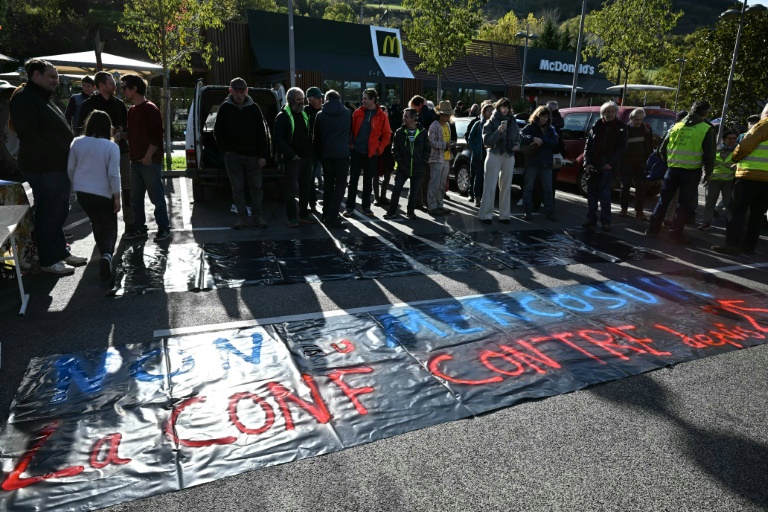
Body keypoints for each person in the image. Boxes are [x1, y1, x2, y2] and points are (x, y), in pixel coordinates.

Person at [9, 58, 87, 275]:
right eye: (52, 76)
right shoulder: (25, 99)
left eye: (57, 77)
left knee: (58, 211)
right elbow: (30, 136)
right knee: (49, 212)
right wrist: (60, 153)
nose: (56, 81)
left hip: (56, 166)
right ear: (36, 75)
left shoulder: (42, 97)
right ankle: (48, 259)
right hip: (44, 167)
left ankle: (60, 253)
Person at [646, 100, 715, 244]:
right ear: (706, 113)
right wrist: (708, 173)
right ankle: (675, 234)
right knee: (683, 204)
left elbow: (661, 150)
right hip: (691, 172)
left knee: (663, 200)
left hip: (672, 170)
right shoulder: (706, 129)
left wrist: (669, 162)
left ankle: (652, 229)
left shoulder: (676, 126)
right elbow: (709, 155)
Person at [78, 71, 134, 233]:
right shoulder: (89, 105)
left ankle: (130, 223)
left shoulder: (119, 104)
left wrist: (121, 130)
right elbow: (82, 129)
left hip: (122, 151)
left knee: (128, 188)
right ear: (101, 85)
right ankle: (107, 225)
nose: (115, 86)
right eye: (111, 83)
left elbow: (126, 125)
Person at [67, 110, 121, 279]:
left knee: (96, 222)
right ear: (108, 127)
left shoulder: (77, 142)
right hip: (104, 192)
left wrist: (76, 185)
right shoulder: (111, 146)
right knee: (111, 224)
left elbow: (70, 168)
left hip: (83, 192)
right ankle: (107, 255)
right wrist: (117, 196)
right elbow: (114, 175)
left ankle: (103, 254)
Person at [213, 77, 270, 230]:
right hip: (233, 156)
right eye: (236, 92)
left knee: (256, 188)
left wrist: (262, 155)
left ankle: (258, 217)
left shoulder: (254, 108)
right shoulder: (224, 108)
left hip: (253, 156)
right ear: (230, 91)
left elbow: (261, 133)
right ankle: (242, 218)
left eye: (242, 91)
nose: (239, 95)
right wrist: (225, 150)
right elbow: (217, 131)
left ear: (247, 91)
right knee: (237, 188)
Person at [120, 73, 171, 242]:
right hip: (135, 162)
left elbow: (157, 135)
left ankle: (164, 229)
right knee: (135, 199)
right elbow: (135, 134)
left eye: (124, 88)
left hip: (149, 162)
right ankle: (140, 229)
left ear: (134, 89)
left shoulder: (150, 108)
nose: (123, 91)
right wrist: (121, 134)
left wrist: (149, 156)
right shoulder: (132, 110)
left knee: (156, 198)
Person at [712, 103, 768, 255]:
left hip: (749, 175)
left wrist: (735, 158)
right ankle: (749, 247)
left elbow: (744, 145)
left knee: (736, 210)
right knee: (757, 215)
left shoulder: (763, 125)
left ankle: (732, 245)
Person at [344, 88, 391, 217]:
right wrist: (351, 144)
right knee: (353, 180)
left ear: (373, 100)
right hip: (357, 151)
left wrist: (378, 149)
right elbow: (351, 130)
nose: (362, 100)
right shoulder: (358, 112)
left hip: (372, 153)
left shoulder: (381, 115)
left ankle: (366, 207)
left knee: (367, 181)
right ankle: (349, 207)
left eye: (365, 98)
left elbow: (387, 135)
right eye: (363, 98)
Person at [582, 101, 627, 232]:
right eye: (607, 111)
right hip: (594, 165)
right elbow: (588, 146)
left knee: (605, 195)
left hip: (609, 167)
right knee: (592, 195)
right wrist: (586, 162)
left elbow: (622, 148)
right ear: (603, 113)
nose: (610, 114)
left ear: (616, 113)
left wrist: (611, 163)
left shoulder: (621, 127)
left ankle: (606, 221)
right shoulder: (596, 127)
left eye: (612, 111)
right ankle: (591, 218)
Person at [275, 87, 315, 227]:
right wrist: (292, 155)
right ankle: (292, 218)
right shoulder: (282, 116)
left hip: (306, 158)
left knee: (305, 188)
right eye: (299, 99)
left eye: (303, 99)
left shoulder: (303, 114)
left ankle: (303, 214)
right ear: (291, 100)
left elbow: (309, 136)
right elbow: (278, 139)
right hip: (292, 160)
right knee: (291, 191)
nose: (302, 102)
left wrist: (310, 153)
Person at [478, 97, 520, 225]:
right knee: (490, 186)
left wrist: (517, 145)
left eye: (507, 107)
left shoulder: (513, 121)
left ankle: (504, 215)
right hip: (494, 154)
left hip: (509, 155)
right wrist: (498, 132)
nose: (505, 110)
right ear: (498, 108)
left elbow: (518, 137)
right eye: (503, 107)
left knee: (506, 186)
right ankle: (486, 215)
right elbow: (487, 141)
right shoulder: (490, 122)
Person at [384, 108, 431, 220]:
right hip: (402, 167)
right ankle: (391, 212)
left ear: (413, 118)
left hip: (417, 167)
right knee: (396, 190)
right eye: (403, 116)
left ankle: (410, 212)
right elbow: (394, 149)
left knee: (414, 192)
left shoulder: (423, 132)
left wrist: (422, 161)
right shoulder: (399, 132)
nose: (403, 118)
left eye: (406, 116)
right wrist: (400, 161)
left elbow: (427, 149)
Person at [313, 89, 351, 229]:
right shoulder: (347, 113)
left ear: (326, 100)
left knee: (329, 184)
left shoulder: (320, 115)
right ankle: (332, 215)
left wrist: (318, 154)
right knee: (341, 185)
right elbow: (350, 133)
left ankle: (326, 214)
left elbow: (316, 138)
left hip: (326, 154)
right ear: (339, 99)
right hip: (342, 154)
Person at [521, 105, 559, 221]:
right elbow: (521, 135)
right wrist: (533, 138)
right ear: (537, 116)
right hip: (533, 161)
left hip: (546, 162)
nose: (544, 119)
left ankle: (549, 212)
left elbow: (555, 143)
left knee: (548, 188)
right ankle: (527, 211)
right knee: (529, 187)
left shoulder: (551, 129)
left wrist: (541, 141)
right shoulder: (530, 127)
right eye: (542, 116)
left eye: (546, 117)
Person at [698, 129, 737, 231]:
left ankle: (731, 226)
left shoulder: (739, 151)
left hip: (729, 181)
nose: (732, 140)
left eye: (734, 138)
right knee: (710, 203)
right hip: (713, 180)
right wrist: (706, 175)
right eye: (730, 138)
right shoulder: (715, 150)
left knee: (729, 205)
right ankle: (706, 223)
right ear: (724, 139)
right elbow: (707, 163)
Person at [619, 108, 654, 220]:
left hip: (641, 163)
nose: (638, 122)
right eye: (636, 119)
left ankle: (639, 211)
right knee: (625, 187)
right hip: (626, 162)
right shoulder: (625, 129)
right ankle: (624, 209)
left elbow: (649, 145)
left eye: (640, 119)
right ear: (631, 118)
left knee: (640, 188)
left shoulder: (646, 129)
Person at [426, 101, 456, 216]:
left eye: (448, 115)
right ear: (440, 114)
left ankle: (439, 204)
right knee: (435, 183)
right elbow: (431, 142)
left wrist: (450, 144)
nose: (447, 116)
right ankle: (432, 206)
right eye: (445, 114)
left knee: (442, 184)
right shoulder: (434, 125)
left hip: (446, 158)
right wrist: (445, 145)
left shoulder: (447, 125)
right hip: (436, 158)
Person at [466, 101, 493, 206]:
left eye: (492, 110)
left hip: (490, 154)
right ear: (484, 112)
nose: (491, 112)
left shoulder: (494, 124)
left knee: (488, 177)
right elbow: (470, 138)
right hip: (479, 155)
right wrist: (475, 149)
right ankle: (477, 197)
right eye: (488, 110)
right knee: (479, 176)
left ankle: (485, 197)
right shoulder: (478, 124)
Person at [306, 86, 324, 215]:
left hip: (323, 150)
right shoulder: (304, 112)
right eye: (318, 98)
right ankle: (312, 204)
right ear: (310, 99)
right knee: (310, 178)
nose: (320, 100)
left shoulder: (323, 112)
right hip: (310, 152)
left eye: (321, 97)